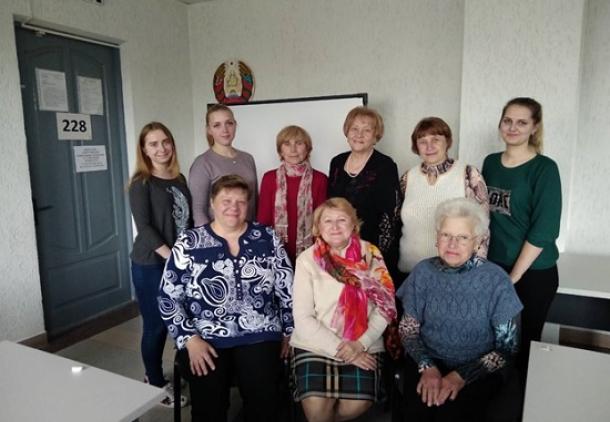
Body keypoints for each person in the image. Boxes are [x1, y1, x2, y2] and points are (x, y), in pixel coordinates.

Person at [159, 175, 293, 422]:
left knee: (265, 405)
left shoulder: (267, 238)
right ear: (212, 203)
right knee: (208, 408)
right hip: (205, 336)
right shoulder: (189, 242)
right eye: (226, 201)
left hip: (260, 332)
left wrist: (288, 331)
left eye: (241, 201)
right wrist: (189, 339)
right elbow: (168, 297)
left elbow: (287, 289)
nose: (234, 207)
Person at [396, 198, 523, 422]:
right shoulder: (422, 272)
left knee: (451, 415)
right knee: (415, 414)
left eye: (463, 237)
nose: (452, 244)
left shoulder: (497, 281)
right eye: (446, 235)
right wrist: (427, 366)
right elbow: (408, 330)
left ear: (478, 242)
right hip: (429, 361)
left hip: (479, 369)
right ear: (437, 238)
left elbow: (507, 349)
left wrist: (461, 376)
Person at [290, 197, 397, 422]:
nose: (335, 227)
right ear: (318, 228)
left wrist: (360, 345)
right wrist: (343, 350)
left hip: (363, 342)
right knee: (317, 411)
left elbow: (385, 307)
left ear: (354, 225)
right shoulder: (307, 260)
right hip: (315, 343)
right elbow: (303, 317)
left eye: (342, 220)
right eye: (327, 221)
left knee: (356, 404)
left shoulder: (371, 254)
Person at [482, 97, 562, 374]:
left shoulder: (545, 169)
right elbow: (481, 215)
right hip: (494, 266)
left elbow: (544, 230)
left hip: (533, 273)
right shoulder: (490, 163)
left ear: (534, 127)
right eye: (508, 121)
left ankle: (523, 396)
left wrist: (512, 277)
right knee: (493, 339)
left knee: (525, 343)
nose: (513, 127)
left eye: (521, 122)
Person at [128, 121, 191, 407]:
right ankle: (153, 382)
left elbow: (185, 220)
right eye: (153, 144)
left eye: (165, 141)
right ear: (144, 149)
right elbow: (145, 228)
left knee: (182, 319)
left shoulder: (179, 178)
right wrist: (173, 258)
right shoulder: (141, 183)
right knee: (156, 325)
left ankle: (182, 372)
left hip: (179, 262)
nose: (161, 148)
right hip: (151, 264)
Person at [398, 117, 489, 276]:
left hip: (453, 272)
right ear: (416, 146)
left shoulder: (468, 174)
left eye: (436, 140)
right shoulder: (407, 178)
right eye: (422, 141)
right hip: (409, 271)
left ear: (447, 142)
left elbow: (483, 230)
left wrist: (472, 273)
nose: (429, 146)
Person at [328, 106, 401, 280]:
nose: (359, 135)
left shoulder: (385, 166)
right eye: (354, 129)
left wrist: (377, 257)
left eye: (366, 130)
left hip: (371, 251)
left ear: (376, 136)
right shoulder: (337, 162)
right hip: (338, 247)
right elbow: (329, 206)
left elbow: (390, 218)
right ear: (347, 132)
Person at [257, 125, 328, 264]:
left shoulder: (320, 179)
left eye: (299, 143)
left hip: (310, 250)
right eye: (287, 144)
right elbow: (263, 220)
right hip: (275, 249)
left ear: (307, 149)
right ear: (280, 150)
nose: (293, 149)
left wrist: (318, 255)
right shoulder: (269, 178)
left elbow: (322, 221)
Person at [189, 104, 257, 226]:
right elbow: (198, 210)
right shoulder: (202, 163)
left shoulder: (248, 159)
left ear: (235, 125)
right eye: (217, 125)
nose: (224, 130)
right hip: (219, 234)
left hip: (247, 231)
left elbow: (253, 202)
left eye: (229, 123)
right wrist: (211, 236)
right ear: (209, 130)